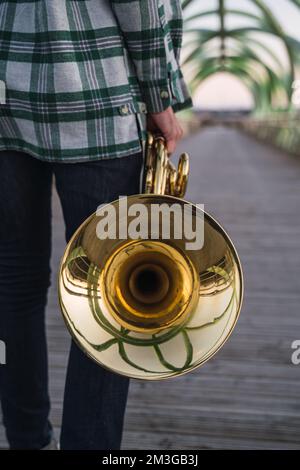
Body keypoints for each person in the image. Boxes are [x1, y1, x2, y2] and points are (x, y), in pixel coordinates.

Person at [0, 0, 193, 450]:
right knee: (109, 288)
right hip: (96, 102)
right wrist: (159, 96)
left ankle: (26, 438)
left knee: (14, 281)